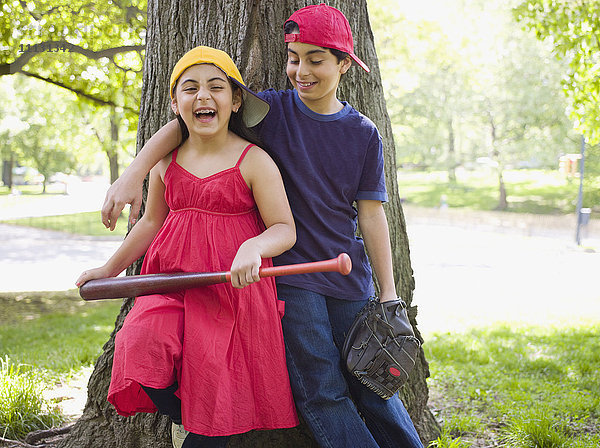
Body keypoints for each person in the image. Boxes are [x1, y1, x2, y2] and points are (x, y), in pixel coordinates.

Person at [100, 4, 423, 448]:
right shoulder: (270, 110)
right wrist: (134, 172)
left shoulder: (364, 133)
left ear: (345, 64)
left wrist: (387, 294)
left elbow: (371, 215)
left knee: (374, 383)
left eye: (316, 59)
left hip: (348, 277)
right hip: (290, 278)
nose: (302, 70)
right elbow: (185, 126)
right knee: (322, 390)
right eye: (295, 58)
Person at [76, 46, 299, 448]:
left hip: (229, 292)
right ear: (176, 103)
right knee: (138, 343)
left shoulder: (254, 161)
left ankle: (208, 420)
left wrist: (254, 247)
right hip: (170, 283)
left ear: (234, 101)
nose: (204, 96)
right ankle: (193, 411)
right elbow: (150, 223)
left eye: (217, 87)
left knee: (213, 382)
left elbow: (284, 228)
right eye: (190, 88)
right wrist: (108, 269)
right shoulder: (166, 163)